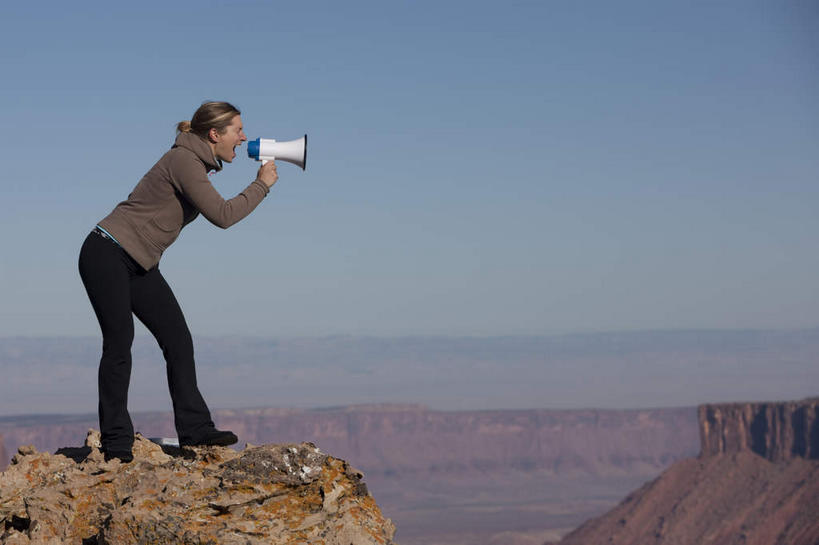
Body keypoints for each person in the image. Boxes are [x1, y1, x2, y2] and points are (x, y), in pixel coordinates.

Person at [78, 101, 278, 463]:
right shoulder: (184, 161)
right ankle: (117, 444)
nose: (244, 136)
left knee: (177, 339)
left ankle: (196, 429)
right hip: (107, 251)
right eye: (238, 130)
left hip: (139, 260)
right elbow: (223, 215)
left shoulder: (193, 162)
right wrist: (261, 185)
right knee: (120, 342)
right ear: (215, 134)